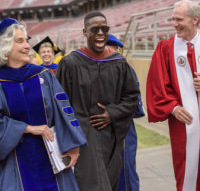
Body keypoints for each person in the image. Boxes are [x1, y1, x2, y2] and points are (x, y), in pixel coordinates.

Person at [56, 11, 140, 191]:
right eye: (95, 29)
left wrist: (112, 113)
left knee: (109, 182)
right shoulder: (70, 63)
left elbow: (132, 97)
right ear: (85, 32)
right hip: (82, 138)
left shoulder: (118, 63)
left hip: (111, 136)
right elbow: (60, 104)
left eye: (105, 28)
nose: (101, 32)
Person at [0, 18, 87, 191]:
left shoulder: (43, 75)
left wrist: (73, 145)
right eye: (20, 41)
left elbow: (64, 111)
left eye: (26, 41)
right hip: (15, 160)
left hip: (51, 155)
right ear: (5, 47)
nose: (27, 46)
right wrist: (28, 128)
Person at [146, 0, 200, 191]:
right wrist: (173, 107)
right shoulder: (166, 49)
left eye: (179, 19)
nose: (174, 24)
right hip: (184, 126)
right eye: (173, 19)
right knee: (187, 174)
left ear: (195, 19)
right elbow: (157, 86)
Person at [107, 34, 145, 191]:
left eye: (113, 49)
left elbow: (134, 103)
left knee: (126, 172)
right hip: (100, 130)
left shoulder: (125, 69)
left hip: (122, 129)